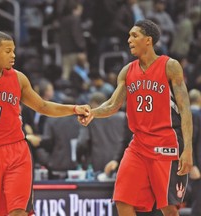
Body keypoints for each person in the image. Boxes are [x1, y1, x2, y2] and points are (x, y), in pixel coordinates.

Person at [0, 31, 90, 216]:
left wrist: (73, 109)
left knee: (18, 211)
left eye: (14, 50)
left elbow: (43, 106)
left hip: (16, 151)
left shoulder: (19, 78)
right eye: (8, 51)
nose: (13, 55)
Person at [79, 19, 193, 216]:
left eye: (134, 35)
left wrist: (188, 149)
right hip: (138, 145)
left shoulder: (170, 66)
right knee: (122, 201)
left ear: (148, 40)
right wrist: (93, 113)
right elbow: (113, 104)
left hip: (165, 143)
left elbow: (185, 109)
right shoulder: (127, 71)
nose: (129, 39)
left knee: (169, 208)